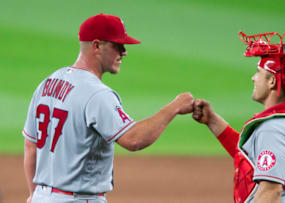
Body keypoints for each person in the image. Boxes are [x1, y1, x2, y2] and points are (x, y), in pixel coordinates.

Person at [23, 13, 194, 203]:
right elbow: (134, 139)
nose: (124, 52)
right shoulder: (97, 94)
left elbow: (30, 145)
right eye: (117, 46)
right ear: (96, 46)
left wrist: (33, 194)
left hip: (42, 197)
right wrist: (175, 107)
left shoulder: (48, 82)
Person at [192, 31, 285, 203]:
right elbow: (254, 156)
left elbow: (270, 193)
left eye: (258, 72)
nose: (253, 78)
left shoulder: (273, 129)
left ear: (272, 81)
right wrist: (212, 120)